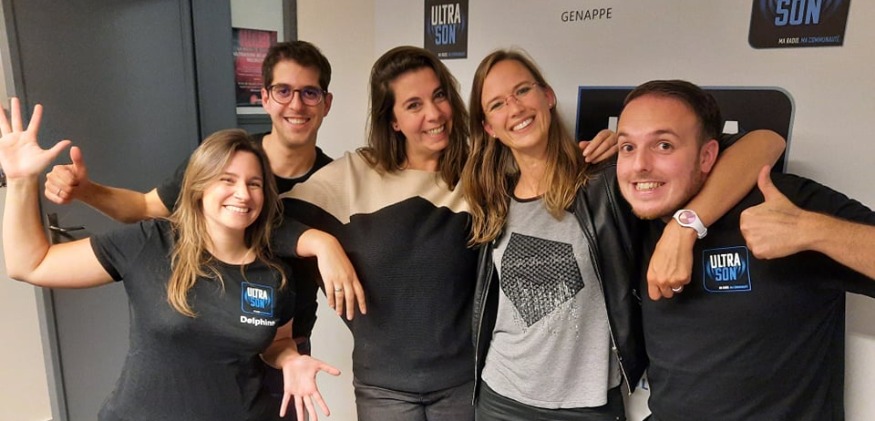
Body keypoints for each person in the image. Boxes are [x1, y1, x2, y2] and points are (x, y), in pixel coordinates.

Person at [462, 50, 785, 420]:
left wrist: (685, 226)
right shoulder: (494, 199)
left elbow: (767, 142)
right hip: (501, 397)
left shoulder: (606, 179)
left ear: (547, 95)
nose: (515, 108)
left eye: (522, 90)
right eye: (498, 104)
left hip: (587, 406)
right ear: (489, 126)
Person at [0, 98, 341, 421]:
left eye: (254, 184)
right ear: (198, 187)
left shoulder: (273, 274)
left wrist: (290, 360)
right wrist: (20, 181)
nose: (242, 194)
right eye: (227, 180)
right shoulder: (151, 243)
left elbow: (277, 343)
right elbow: (30, 264)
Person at [615, 79, 875, 420]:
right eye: (627, 147)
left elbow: (767, 140)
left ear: (707, 155)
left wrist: (813, 230)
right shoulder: (629, 214)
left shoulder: (779, 204)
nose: (639, 165)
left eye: (664, 145)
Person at [279, 45, 478, 421]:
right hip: (383, 390)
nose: (434, 113)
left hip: (464, 384)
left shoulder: (480, 174)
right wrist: (322, 244)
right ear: (393, 121)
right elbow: (268, 223)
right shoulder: (355, 174)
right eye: (414, 105)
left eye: (439, 96)